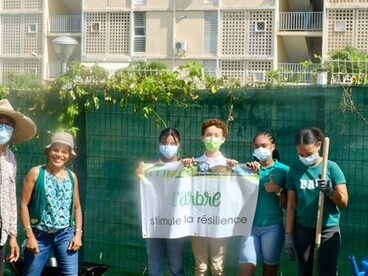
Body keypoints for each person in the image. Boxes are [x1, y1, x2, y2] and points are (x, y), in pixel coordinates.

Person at [284, 127, 348, 276]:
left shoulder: (332, 168)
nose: (305, 157)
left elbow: (344, 202)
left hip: (328, 228)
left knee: (328, 271)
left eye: (308, 153)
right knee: (305, 270)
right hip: (303, 229)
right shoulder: (294, 170)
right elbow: (291, 204)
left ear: (319, 145)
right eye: (300, 154)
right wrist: (288, 235)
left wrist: (331, 192)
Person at [20, 131, 83, 276]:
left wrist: (78, 234)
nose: (59, 155)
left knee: (71, 274)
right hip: (39, 235)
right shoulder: (36, 173)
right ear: (49, 151)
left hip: (65, 234)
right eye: (55, 150)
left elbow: (78, 207)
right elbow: (23, 205)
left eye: (64, 151)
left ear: (68, 155)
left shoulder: (72, 176)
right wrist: (30, 236)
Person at [183, 118, 237, 276]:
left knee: (218, 267)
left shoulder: (230, 165)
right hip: (198, 222)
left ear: (223, 139)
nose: (212, 138)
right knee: (200, 268)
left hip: (219, 222)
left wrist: (242, 170)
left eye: (216, 135)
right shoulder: (193, 164)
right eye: (208, 135)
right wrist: (185, 166)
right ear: (202, 138)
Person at [136, 127, 186, 276]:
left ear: (179, 144)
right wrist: (140, 172)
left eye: (172, 143)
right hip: (155, 222)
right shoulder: (150, 167)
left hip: (177, 224)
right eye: (165, 143)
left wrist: (189, 165)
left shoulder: (186, 165)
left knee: (177, 267)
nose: (168, 146)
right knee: (154, 266)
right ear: (159, 143)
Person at [239, 131, 289, 276]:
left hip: (272, 228)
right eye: (256, 146)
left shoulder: (284, 171)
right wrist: (245, 172)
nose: (260, 149)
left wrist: (278, 190)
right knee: (246, 269)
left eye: (264, 145)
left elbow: (288, 205)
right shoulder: (247, 169)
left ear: (273, 146)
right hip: (248, 227)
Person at [0, 99, 37, 275]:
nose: (4, 128)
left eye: (9, 125)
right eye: (1, 123)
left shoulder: (10, 158)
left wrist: (12, 236)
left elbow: (10, 197)